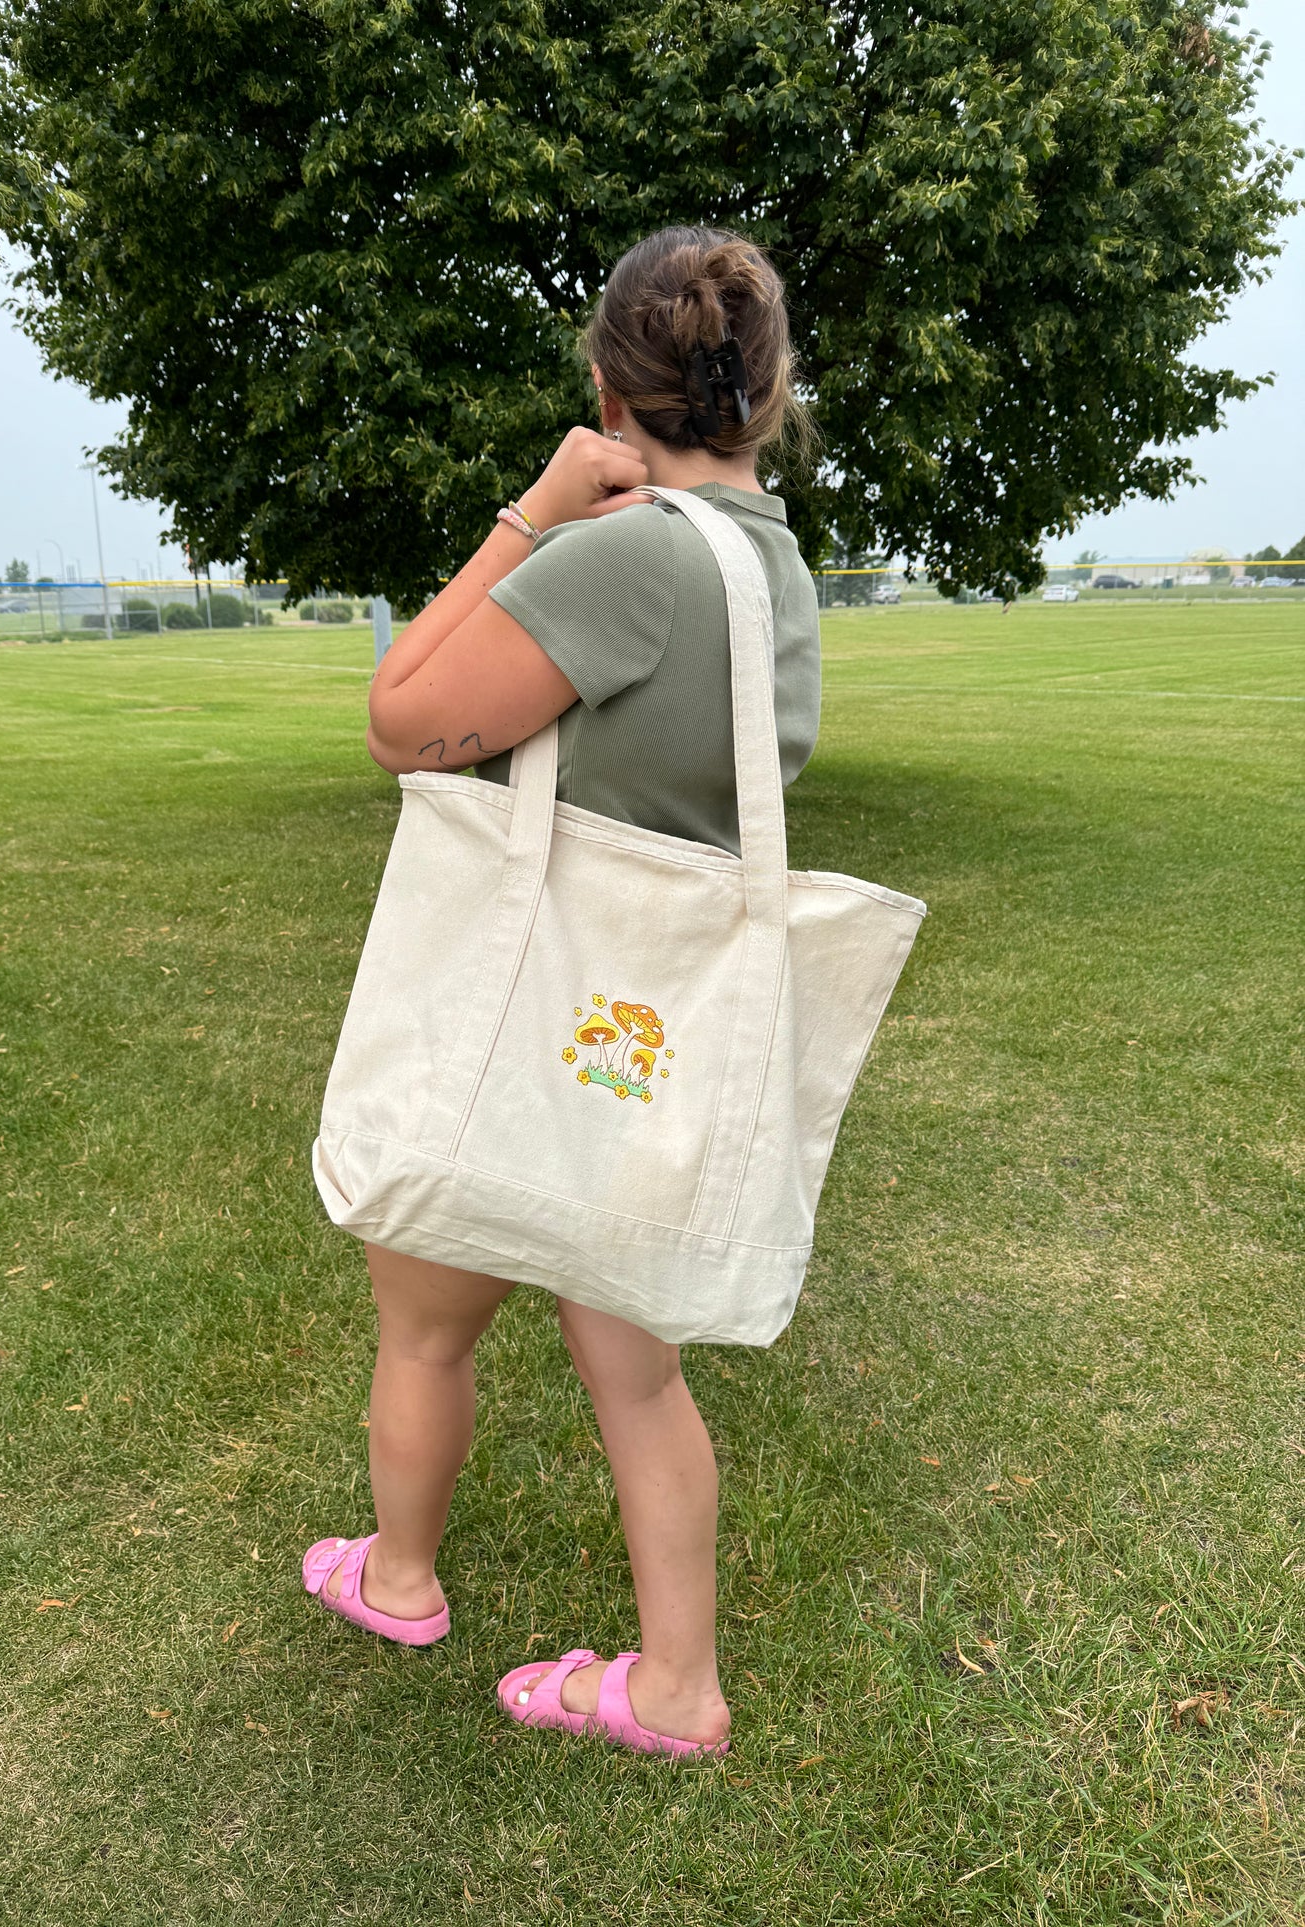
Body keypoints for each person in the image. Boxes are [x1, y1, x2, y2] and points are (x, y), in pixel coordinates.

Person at [302, 226, 821, 1759]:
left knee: (425, 1325)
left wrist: (531, 510)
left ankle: (398, 1576)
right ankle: (674, 1685)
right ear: (767, 389)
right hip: (649, 1045)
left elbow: (402, 719)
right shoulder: (770, 567)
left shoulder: (627, 558)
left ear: (606, 383)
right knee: (636, 1374)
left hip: (528, 1015)